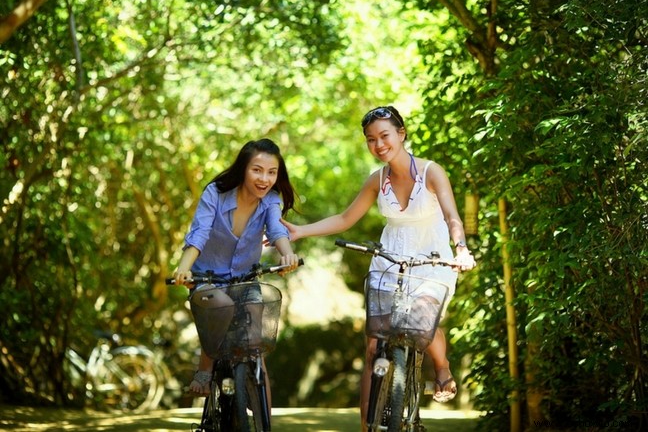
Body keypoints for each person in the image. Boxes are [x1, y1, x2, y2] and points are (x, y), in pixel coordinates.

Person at [281, 106, 476, 430]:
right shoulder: (378, 179)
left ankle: (441, 366)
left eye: (384, 135)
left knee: (418, 324)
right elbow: (345, 219)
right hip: (389, 260)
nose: (379, 144)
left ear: (401, 134)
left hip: (433, 260)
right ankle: (367, 425)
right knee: (374, 346)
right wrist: (301, 231)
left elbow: (452, 217)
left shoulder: (431, 171)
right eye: (371, 139)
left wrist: (462, 249)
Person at [172, 138, 300, 396]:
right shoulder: (215, 193)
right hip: (206, 278)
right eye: (257, 170)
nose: (264, 178)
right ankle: (205, 368)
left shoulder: (271, 200)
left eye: (272, 172)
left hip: (245, 278)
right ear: (243, 168)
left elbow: (277, 231)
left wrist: (288, 256)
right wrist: (183, 268)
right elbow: (199, 234)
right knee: (221, 305)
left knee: (256, 348)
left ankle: (263, 417)